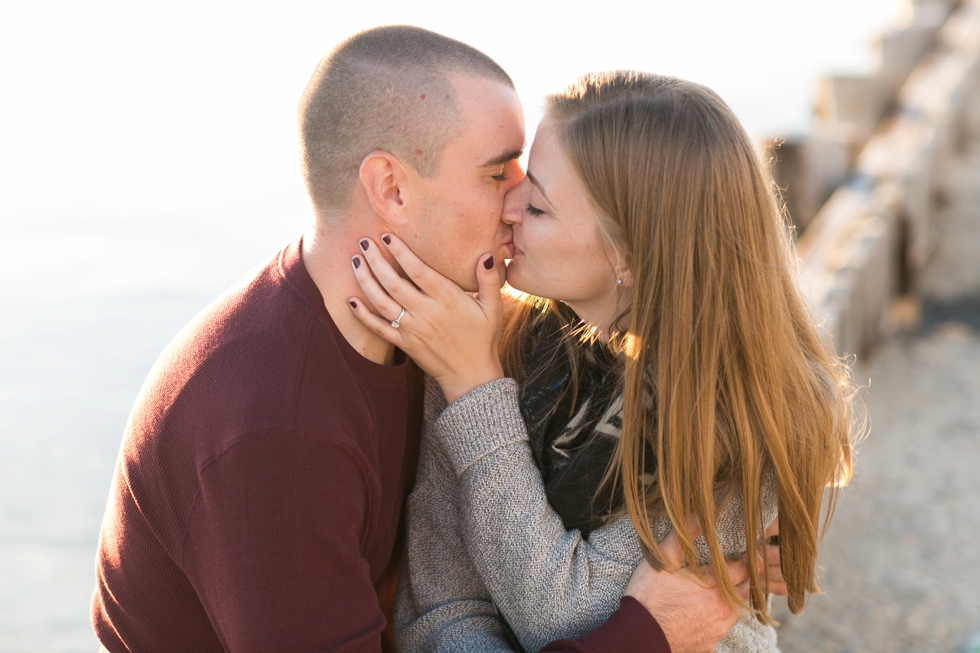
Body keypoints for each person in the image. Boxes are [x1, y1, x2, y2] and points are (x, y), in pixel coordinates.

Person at [91, 28, 749, 653]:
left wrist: (740, 521)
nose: (520, 196)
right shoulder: (272, 423)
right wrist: (644, 634)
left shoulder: (439, 328)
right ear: (391, 188)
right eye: (498, 173)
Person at [348, 71, 857, 652]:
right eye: (513, 178)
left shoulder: (747, 416)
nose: (506, 207)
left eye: (536, 205)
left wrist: (474, 391)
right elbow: (440, 605)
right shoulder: (496, 337)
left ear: (631, 256)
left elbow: (572, 622)